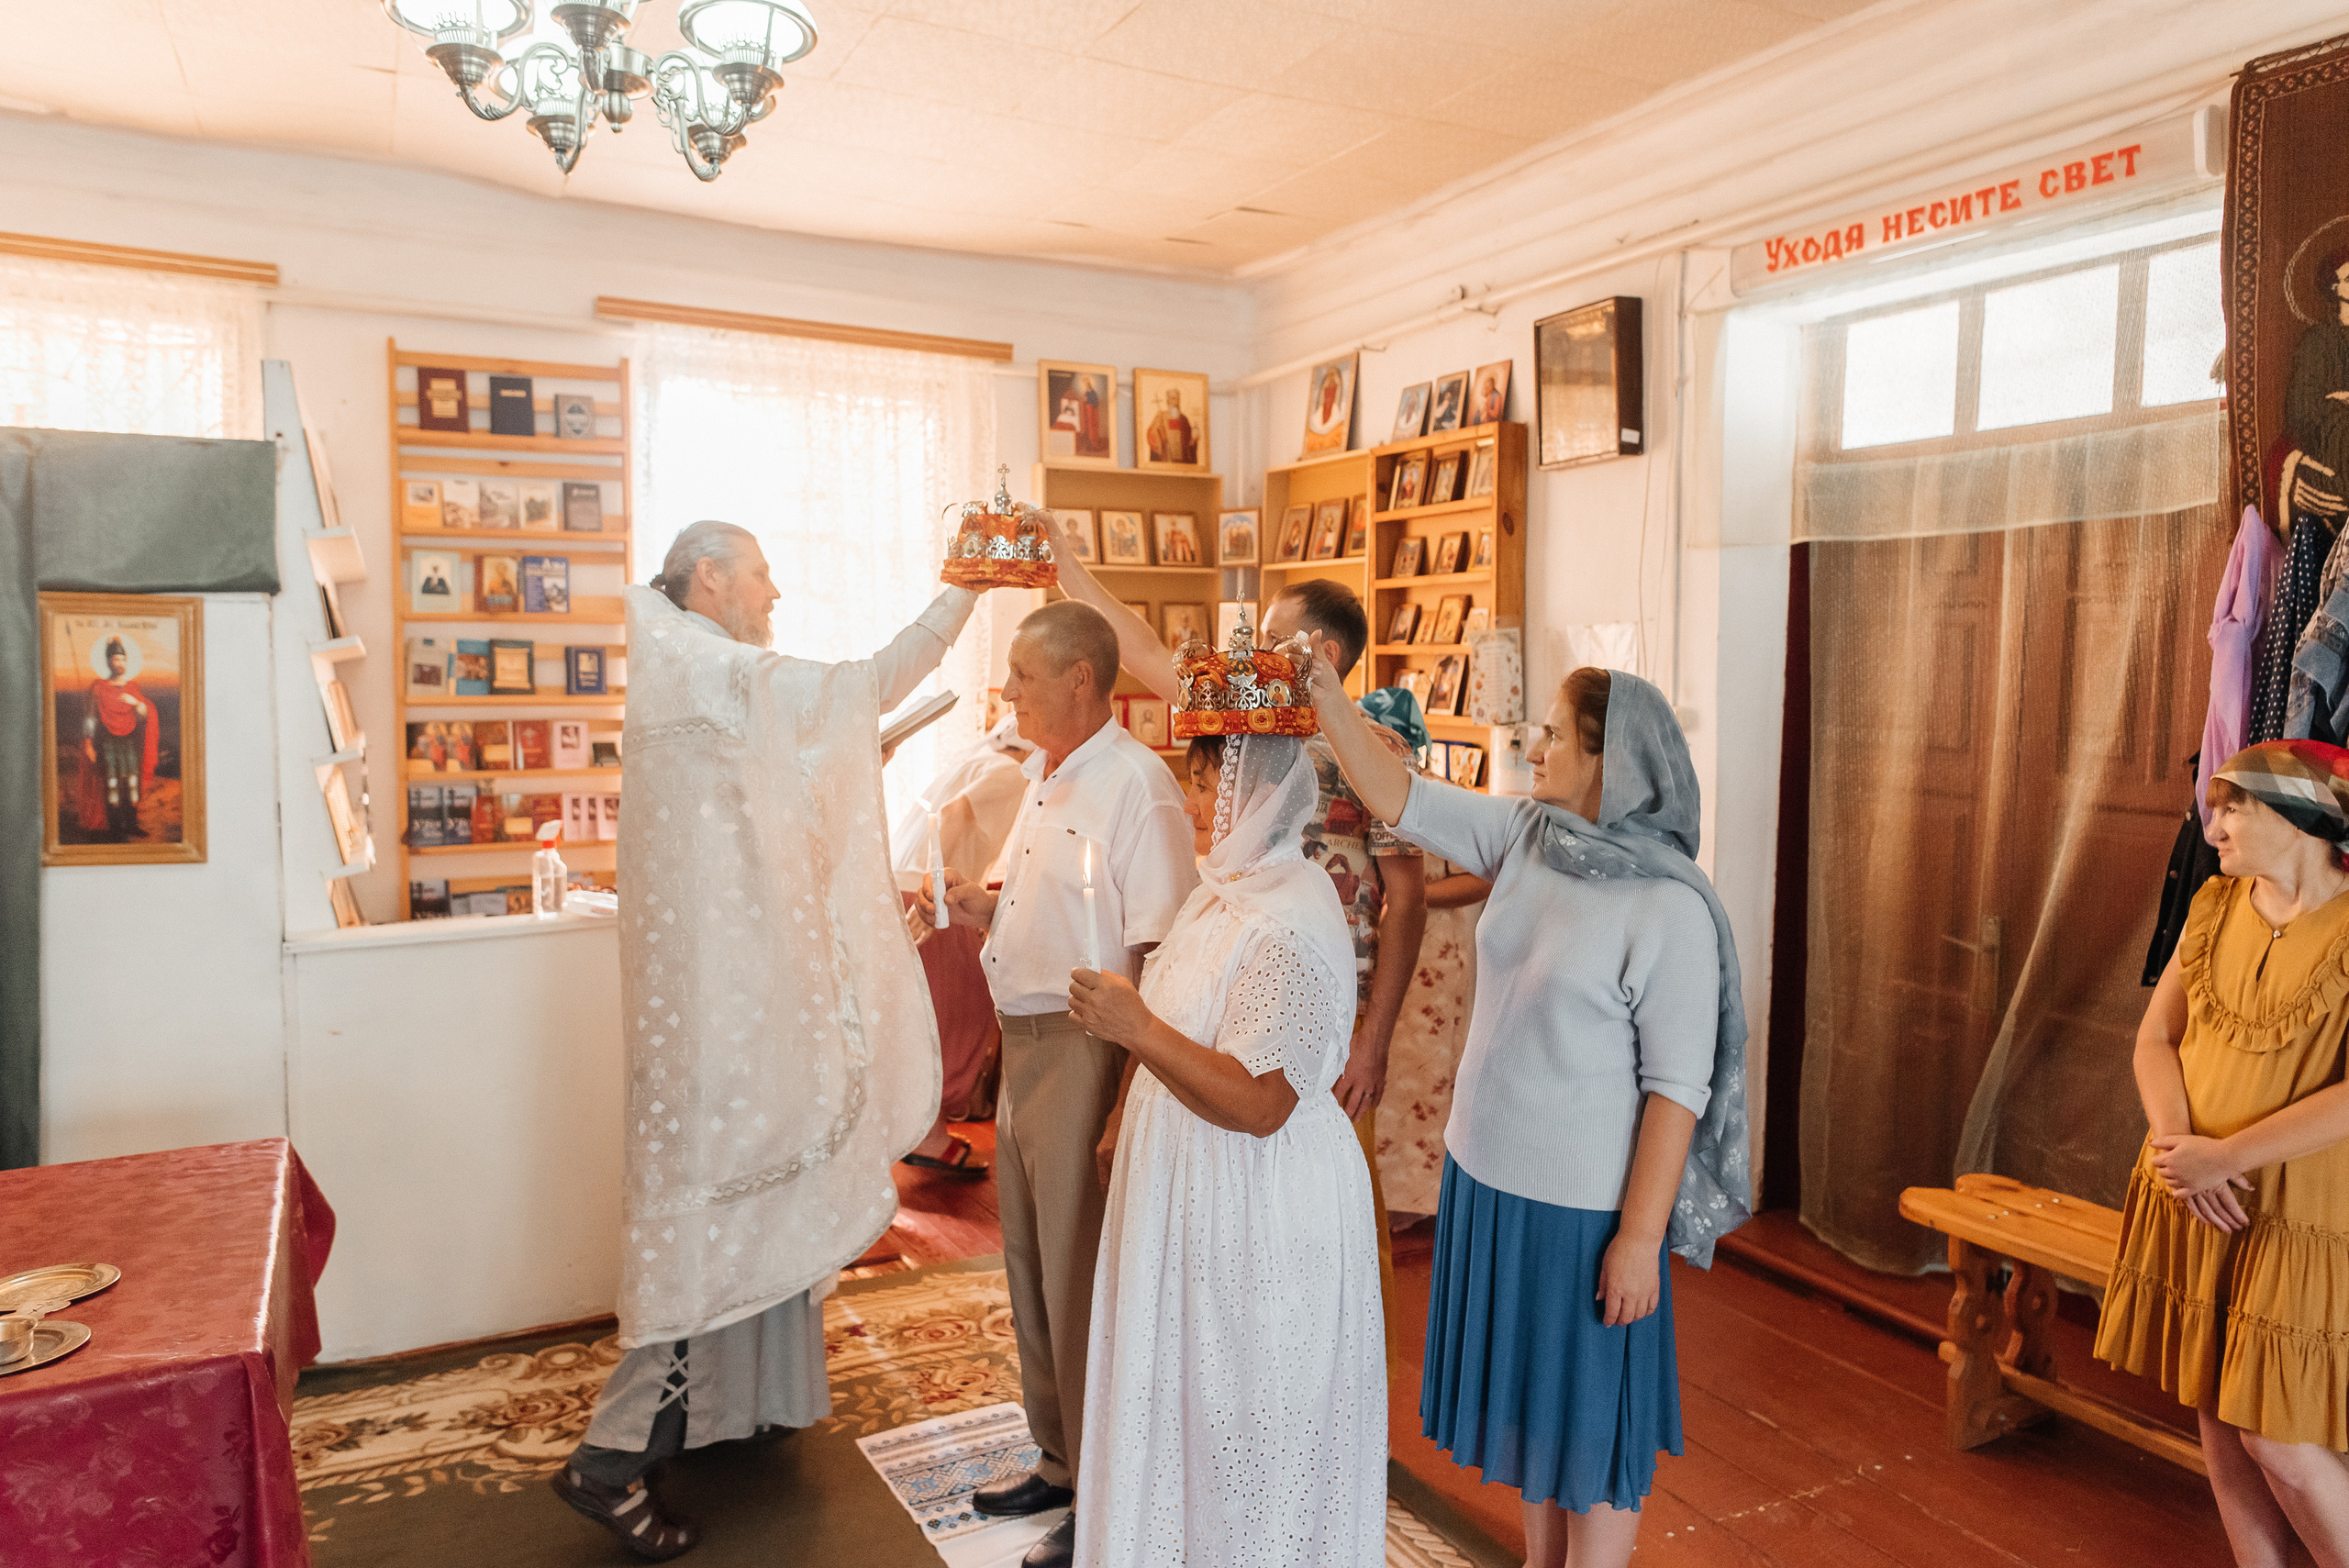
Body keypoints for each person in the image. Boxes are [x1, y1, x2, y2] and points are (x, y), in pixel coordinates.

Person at [551, 520, 989, 1561]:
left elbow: (761, 795)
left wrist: (844, 757)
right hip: (725, 1022)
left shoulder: (685, 669)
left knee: (726, 1214)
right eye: (759, 572)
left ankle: (717, 1418)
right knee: (717, 1224)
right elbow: (862, 683)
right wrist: (963, 589)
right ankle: (608, 1459)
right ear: (708, 576)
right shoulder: (707, 665)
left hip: (713, 1010)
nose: (776, 590)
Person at [1307, 662, 1749, 1568]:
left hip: (1579, 1210)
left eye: (1553, 734)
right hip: (1486, 1179)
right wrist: (1322, 696)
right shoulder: (1528, 835)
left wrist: (1638, 1236)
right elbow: (1396, 790)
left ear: (1609, 759)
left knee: (1590, 1431)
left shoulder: (1668, 907)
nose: (1533, 746)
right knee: (1536, 1421)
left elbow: (1676, 1089)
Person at [1046, 532, 1427, 1350]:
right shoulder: (1236, 719)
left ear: (1321, 653)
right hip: (1223, 986)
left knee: (1315, 1211)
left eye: (1271, 638)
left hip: (1319, 1005)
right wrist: (1069, 567)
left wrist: (1374, 1037)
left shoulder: (1376, 753)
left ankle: (1333, 1371)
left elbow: (1408, 902)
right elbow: (1146, 651)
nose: (1244, 654)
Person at [1067, 717, 1386, 1568]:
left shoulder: (1286, 922)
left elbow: (1258, 1102)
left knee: (1246, 1417)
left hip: (1259, 1203)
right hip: (1192, 1188)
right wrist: (1120, 1112)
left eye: (1208, 785)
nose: (1195, 801)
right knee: (1181, 1404)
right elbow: (1182, 1016)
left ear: (1258, 797)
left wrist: (1132, 1029)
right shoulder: (1221, 894)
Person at [916, 601, 1196, 1568]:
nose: (1008, 693)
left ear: (1080, 678)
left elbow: (1157, 948)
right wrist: (976, 909)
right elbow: (1056, 912)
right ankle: (1059, 1454)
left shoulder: (1136, 786)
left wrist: (1126, 1092)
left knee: (1082, 1275)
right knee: (1031, 1266)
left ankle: (1108, 1487)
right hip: (1028, 1036)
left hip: (1087, 1048)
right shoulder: (1045, 774)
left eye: (1022, 675)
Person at [2095, 740, 2349, 1566]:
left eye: (2238, 804)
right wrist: (2180, 1151)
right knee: (2213, 1402)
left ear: (2305, 820)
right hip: (2195, 1191)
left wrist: (2223, 1154)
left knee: (2277, 1436)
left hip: (2297, 1213)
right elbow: (2154, 1039)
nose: (2216, 821)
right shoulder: (2213, 906)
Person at [891, 714, 1037, 1173]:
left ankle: (913, 1129)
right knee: (954, 1016)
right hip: (933, 893)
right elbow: (955, 815)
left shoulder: (973, 757)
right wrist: (931, 895)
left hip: (898, 885)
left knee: (915, 1020)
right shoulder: (1011, 771)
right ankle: (929, 1134)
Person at [79, 637, 157, 839]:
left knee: (132, 783)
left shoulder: (133, 688)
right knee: (112, 784)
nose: (119, 663)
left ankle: (131, 825)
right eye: (116, 659)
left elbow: (145, 713)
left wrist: (134, 702)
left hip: (130, 742)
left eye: (123, 659)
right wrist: (88, 744)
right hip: (108, 743)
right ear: (108, 661)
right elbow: (90, 718)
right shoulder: (98, 688)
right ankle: (115, 829)